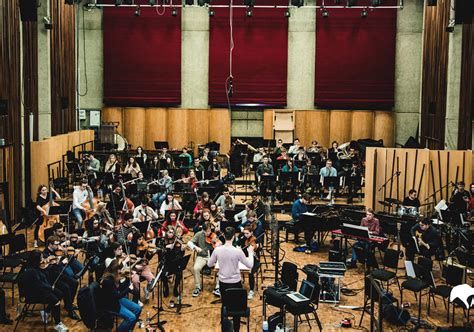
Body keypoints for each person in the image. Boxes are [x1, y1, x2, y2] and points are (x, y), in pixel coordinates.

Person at [208, 227, 254, 332]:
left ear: (224, 236)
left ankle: (224, 328)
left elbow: (209, 264)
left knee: (224, 305)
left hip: (223, 283)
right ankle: (236, 329)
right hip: (236, 283)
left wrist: (217, 254)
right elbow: (250, 265)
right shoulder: (237, 251)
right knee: (236, 308)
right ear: (234, 237)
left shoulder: (218, 250)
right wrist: (250, 253)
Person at [19, 251, 69, 331]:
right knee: (56, 301)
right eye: (41, 258)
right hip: (33, 294)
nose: (43, 260)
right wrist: (50, 288)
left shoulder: (34, 267)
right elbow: (39, 285)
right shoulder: (32, 271)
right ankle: (58, 324)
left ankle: (46, 311)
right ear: (36, 260)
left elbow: (42, 279)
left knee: (60, 293)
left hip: (40, 289)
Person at [99, 259, 142, 332]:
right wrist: (128, 289)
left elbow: (120, 288)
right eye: (120, 270)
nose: (121, 271)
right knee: (132, 317)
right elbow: (118, 296)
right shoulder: (108, 281)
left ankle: (129, 329)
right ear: (115, 270)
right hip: (111, 304)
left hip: (116, 300)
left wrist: (128, 279)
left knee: (138, 308)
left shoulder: (114, 277)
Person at [187, 223, 217, 297]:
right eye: (206, 231)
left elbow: (220, 246)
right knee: (196, 268)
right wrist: (195, 247)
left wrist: (216, 243)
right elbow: (189, 243)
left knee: (220, 267)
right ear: (203, 230)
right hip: (202, 256)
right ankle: (198, 287)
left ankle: (218, 287)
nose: (208, 233)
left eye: (209, 231)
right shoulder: (198, 234)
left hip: (213, 256)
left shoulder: (214, 235)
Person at [235, 226, 259, 300]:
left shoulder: (255, 240)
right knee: (235, 268)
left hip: (255, 260)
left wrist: (254, 249)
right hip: (244, 259)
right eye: (244, 233)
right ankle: (238, 286)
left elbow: (258, 249)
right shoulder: (243, 238)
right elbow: (236, 244)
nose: (246, 235)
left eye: (247, 233)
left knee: (250, 272)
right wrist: (238, 248)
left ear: (251, 232)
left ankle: (251, 290)